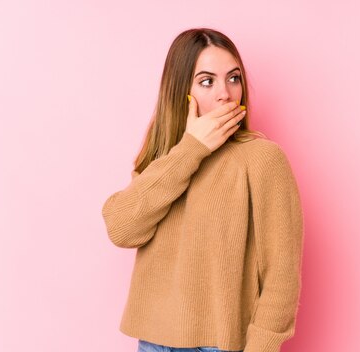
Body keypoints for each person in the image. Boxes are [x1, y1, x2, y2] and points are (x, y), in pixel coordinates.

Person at [101, 28, 305, 352]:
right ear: (182, 90)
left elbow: (282, 276)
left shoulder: (263, 159)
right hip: (153, 343)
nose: (225, 93)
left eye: (234, 78)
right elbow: (121, 228)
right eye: (207, 81)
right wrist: (191, 149)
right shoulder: (166, 156)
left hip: (219, 346)